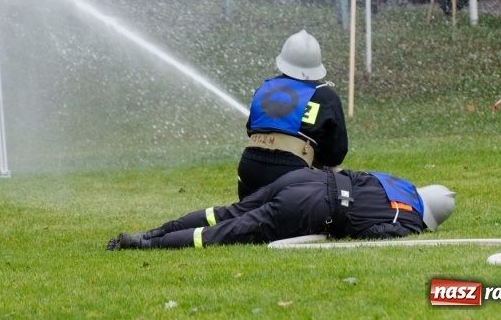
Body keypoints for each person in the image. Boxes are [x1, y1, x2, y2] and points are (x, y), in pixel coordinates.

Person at [106, 167, 455, 250]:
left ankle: (155, 230)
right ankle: (146, 244)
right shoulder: (409, 222)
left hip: (304, 178)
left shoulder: (400, 184)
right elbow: (373, 233)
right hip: (314, 206)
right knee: (222, 234)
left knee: (225, 213)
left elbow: (355, 174)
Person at [237, 30, 348, 200]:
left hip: (249, 170)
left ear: (283, 60)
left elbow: (251, 129)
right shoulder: (326, 97)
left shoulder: (264, 88)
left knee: (248, 218)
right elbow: (335, 155)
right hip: (292, 175)